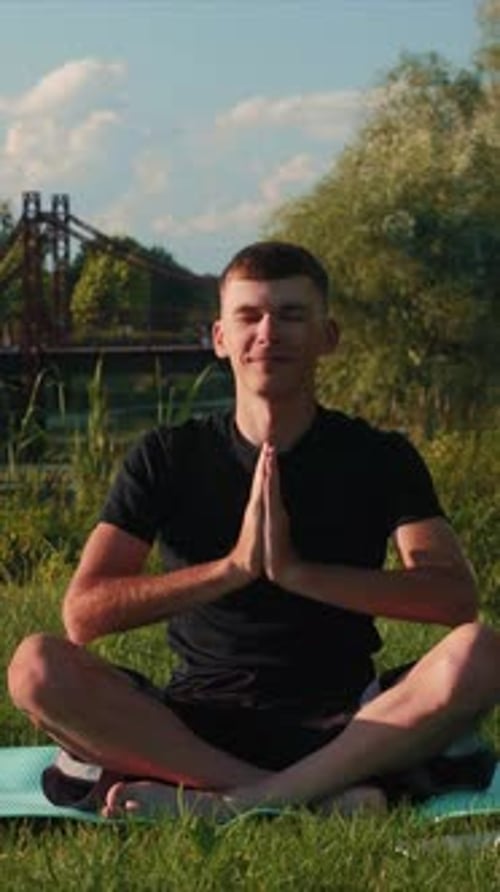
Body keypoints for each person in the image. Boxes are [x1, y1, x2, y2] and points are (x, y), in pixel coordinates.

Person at [8, 241, 500, 819]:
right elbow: (84, 614)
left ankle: (239, 803)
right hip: (193, 724)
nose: (269, 332)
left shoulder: (379, 456)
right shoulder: (167, 456)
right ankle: (295, 795)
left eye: (292, 315)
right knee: (36, 666)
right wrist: (233, 569)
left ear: (328, 336)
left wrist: (298, 573)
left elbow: (453, 599)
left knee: (482, 652)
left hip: (352, 722)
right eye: (249, 316)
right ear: (220, 338)